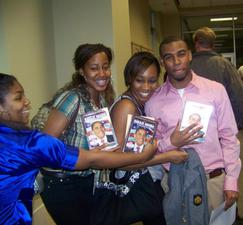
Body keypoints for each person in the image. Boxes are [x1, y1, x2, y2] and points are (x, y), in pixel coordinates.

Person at [0, 73, 157, 225]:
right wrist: (142, 157)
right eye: (18, 97)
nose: (27, 101)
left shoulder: (101, 102)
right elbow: (90, 160)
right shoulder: (30, 143)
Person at [91, 51, 194, 225]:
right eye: (140, 80)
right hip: (136, 184)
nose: (146, 87)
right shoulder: (127, 106)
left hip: (146, 180)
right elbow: (119, 161)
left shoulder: (141, 102)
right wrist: (167, 156)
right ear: (129, 79)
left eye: (152, 80)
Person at [145, 37, 241, 216]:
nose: (176, 62)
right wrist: (171, 142)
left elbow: (229, 137)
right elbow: (150, 148)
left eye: (181, 54)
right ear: (162, 62)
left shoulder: (215, 90)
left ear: (190, 55)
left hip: (212, 181)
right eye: (169, 57)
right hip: (174, 182)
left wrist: (231, 180)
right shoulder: (153, 101)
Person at [40, 43, 118, 225]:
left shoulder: (102, 101)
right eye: (94, 68)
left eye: (105, 67)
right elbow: (44, 147)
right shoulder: (72, 98)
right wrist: (87, 155)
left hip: (87, 180)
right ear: (82, 71)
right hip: (63, 184)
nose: (102, 73)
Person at [190, 27, 243, 130]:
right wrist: (237, 123)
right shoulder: (225, 64)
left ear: (196, 44)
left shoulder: (186, 65)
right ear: (213, 45)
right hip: (219, 123)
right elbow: (238, 94)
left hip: (191, 124)